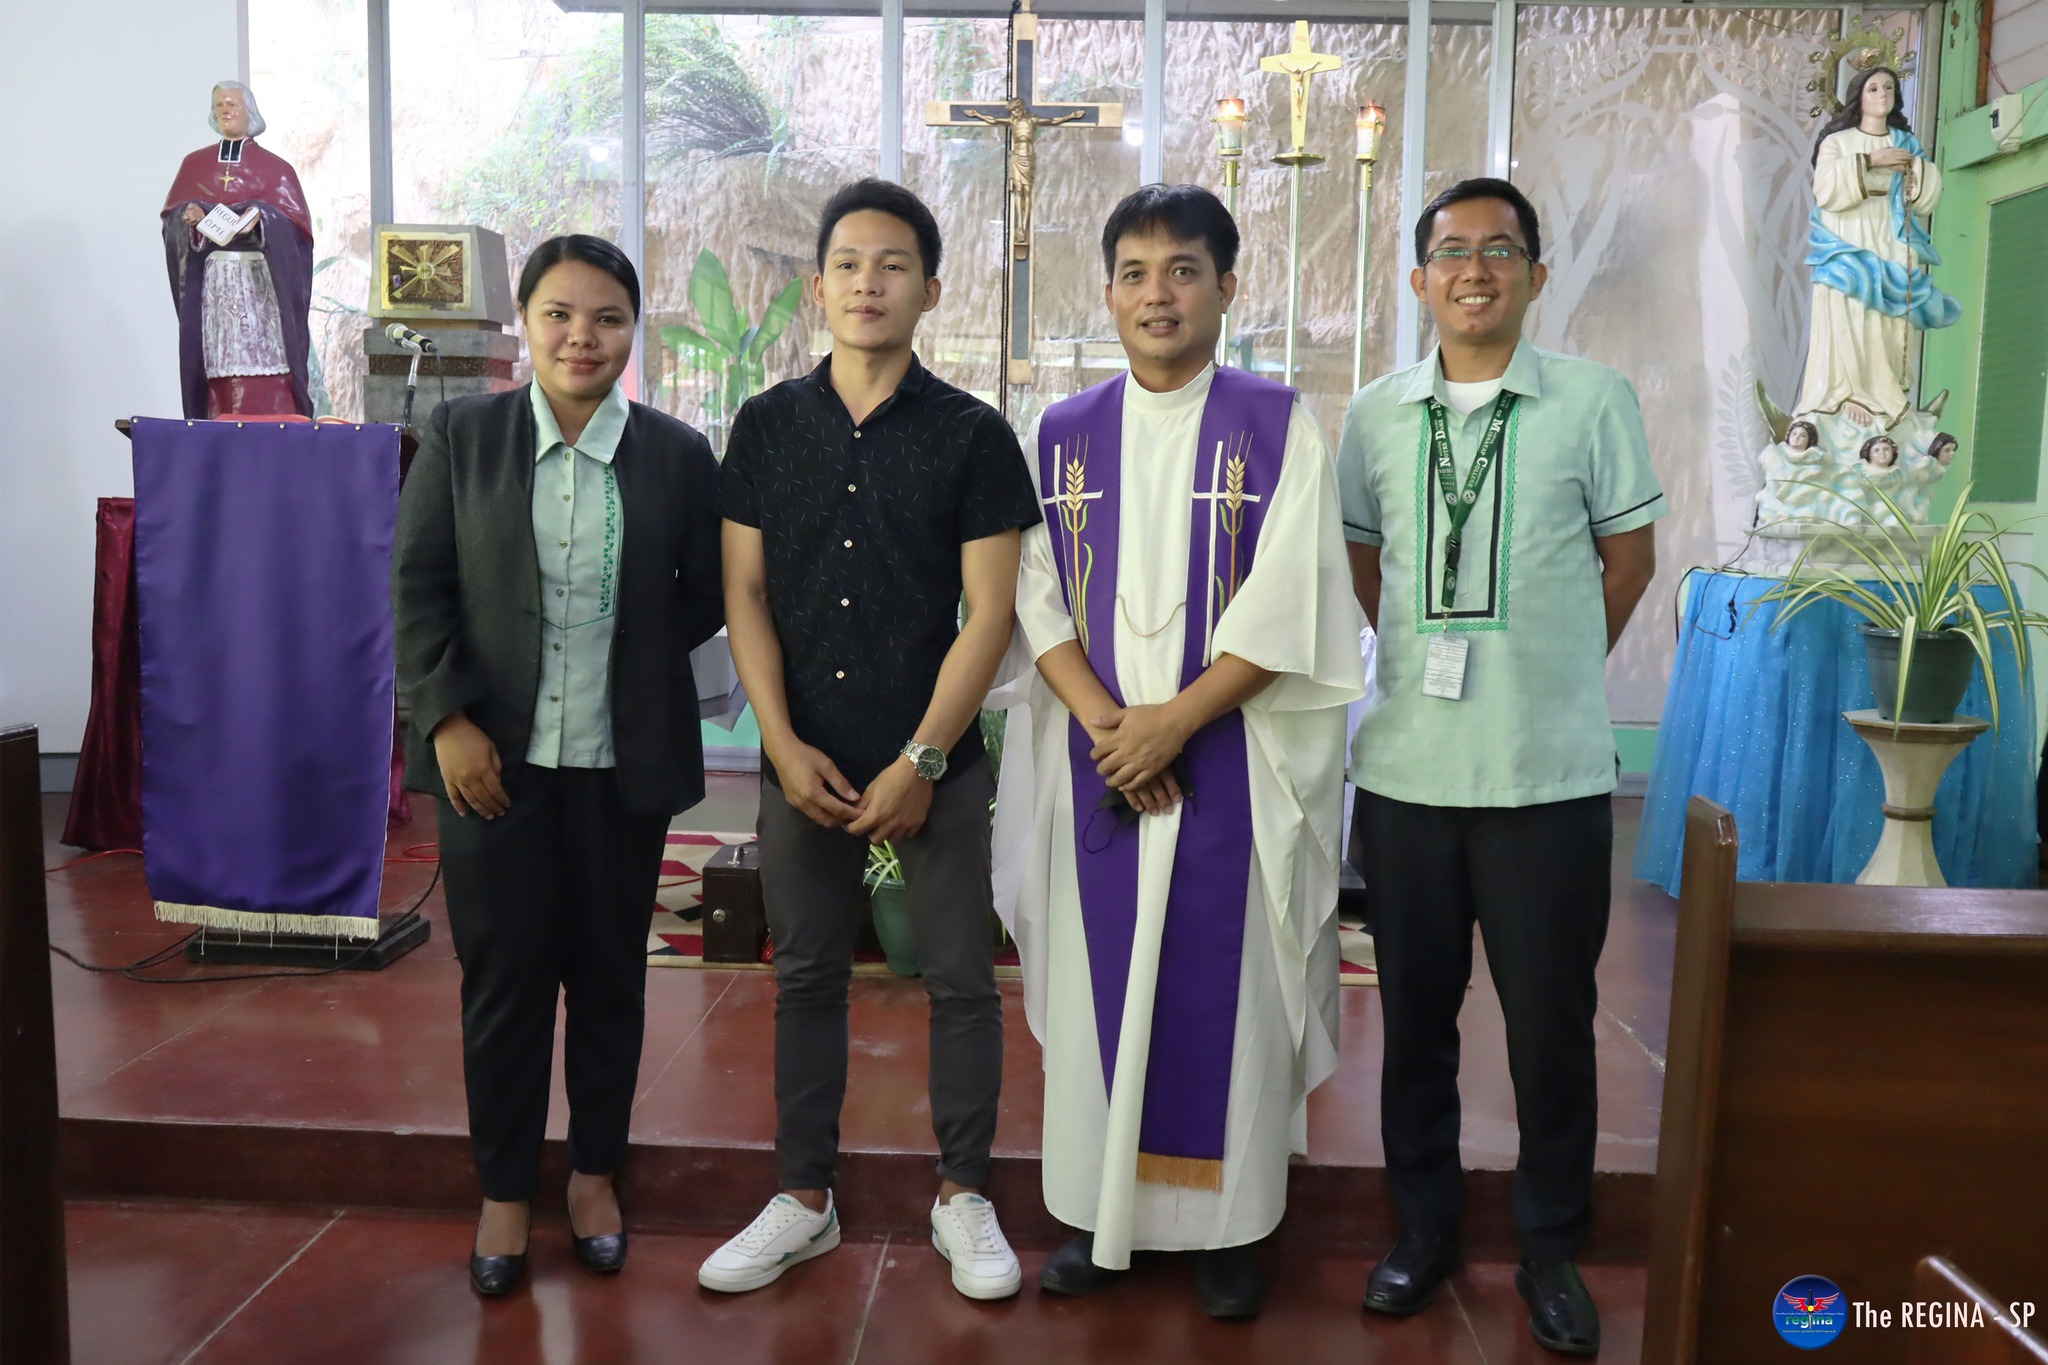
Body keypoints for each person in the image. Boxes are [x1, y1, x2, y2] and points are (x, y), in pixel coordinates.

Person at [1004, 183, 1363, 1319]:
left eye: (1183, 270)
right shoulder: (1059, 433)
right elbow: (1033, 595)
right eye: (1134, 273)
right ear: (1108, 291)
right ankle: (1096, 1214)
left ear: (1225, 285)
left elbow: (1292, 597)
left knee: (1231, 992)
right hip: (1099, 758)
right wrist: (1112, 727)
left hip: (1233, 757)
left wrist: (1176, 722)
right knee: (1098, 991)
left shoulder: (1276, 422)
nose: (1157, 294)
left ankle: (1226, 1229)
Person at [1337, 178, 1665, 1356]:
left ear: (1533, 275)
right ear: (1417, 279)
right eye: (1450, 251)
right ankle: (1421, 1233)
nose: (1473, 269)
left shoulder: (1591, 400)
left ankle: (1549, 1249)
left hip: (1546, 778)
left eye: (1498, 249)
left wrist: (1548, 669)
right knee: (1413, 1027)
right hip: (1407, 778)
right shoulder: (1374, 416)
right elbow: (1366, 568)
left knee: (1547, 1030)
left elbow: (1626, 563)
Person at [699, 179, 1040, 1302]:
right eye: (847, 264)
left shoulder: (972, 434)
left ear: (929, 290)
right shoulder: (766, 425)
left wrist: (924, 759)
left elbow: (990, 614)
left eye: (893, 265)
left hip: (935, 759)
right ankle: (803, 1198)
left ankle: (964, 1194)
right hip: (804, 755)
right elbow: (745, 593)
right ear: (817, 287)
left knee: (959, 979)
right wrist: (779, 742)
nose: (867, 283)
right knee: (804, 976)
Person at [392, 235, 723, 1297]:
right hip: (492, 765)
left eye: (607, 318)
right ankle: (503, 1190)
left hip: (620, 763)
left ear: (633, 332)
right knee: (504, 981)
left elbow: (705, 591)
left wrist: (631, 662)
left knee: (610, 978)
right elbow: (417, 587)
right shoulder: (465, 436)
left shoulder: (676, 454)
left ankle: (592, 1177)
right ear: (526, 324)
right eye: (560, 315)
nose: (583, 337)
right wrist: (447, 718)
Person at [1794, 65, 1959, 428]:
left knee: (1891, 318)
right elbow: (1825, 190)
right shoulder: (1838, 142)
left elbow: (1927, 193)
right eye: (1873, 88)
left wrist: (1913, 169)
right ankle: (1847, 392)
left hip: (1889, 232)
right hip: (1847, 235)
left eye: (1888, 88)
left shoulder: (1905, 142)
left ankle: (1885, 393)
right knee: (1850, 307)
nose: (1882, 95)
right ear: (1859, 97)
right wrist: (1872, 161)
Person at [161, 81, 315, 419]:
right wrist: (188, 216)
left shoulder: (277, 169)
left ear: (250, 112)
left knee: (265, 367)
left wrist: (264, 218)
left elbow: (298, 231)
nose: (225, 111)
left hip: (258, 283)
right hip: (215, 284)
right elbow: (171, 218)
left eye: (232, 104)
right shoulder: (194, 165)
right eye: (219, 105)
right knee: (218, 362)